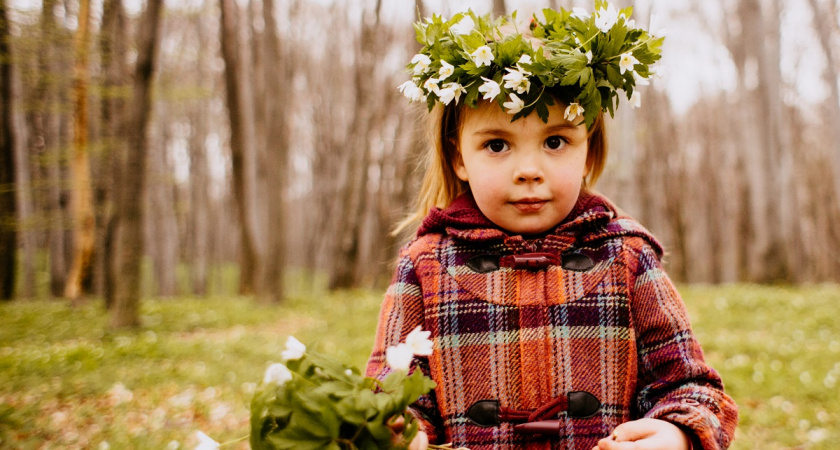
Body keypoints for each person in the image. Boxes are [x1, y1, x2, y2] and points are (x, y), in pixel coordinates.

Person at [366, 4, 738, 450]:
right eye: (497, 145)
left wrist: (676, 433)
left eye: (555, 141)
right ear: (459, 157)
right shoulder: (424, 266)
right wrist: (398, 431)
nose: (529, 170)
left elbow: (692, 387)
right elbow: (392, 393)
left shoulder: (628, 258)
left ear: (589, 151)